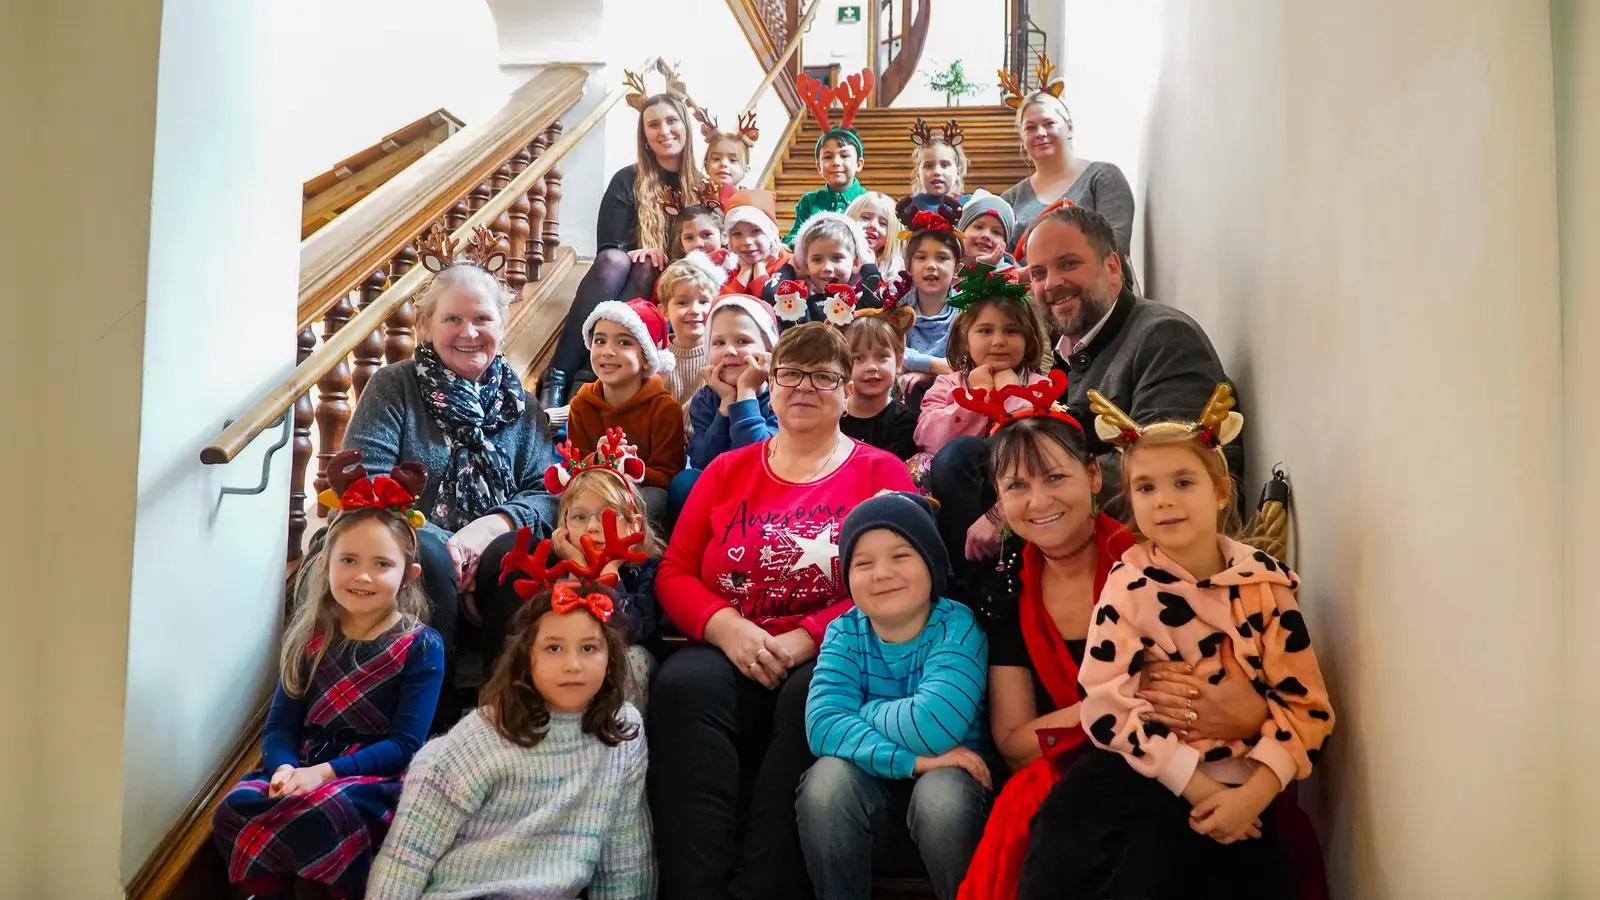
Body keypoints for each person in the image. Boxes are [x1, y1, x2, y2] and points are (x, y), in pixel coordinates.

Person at [1016, 387, 1335, 898]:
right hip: (1150, 768)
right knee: (1075, 836)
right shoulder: (1128, 584)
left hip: (1245, 782)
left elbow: (1308, 710)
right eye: (1145, 488)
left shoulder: (1266, 587)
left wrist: (1251, 795)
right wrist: (1194, 782)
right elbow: (1102, 703)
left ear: (1221, 492)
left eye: (1183, 482)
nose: (1163, 500)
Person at [647, 323, 918, 900]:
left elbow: (903, 580)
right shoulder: (727, 470)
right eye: (791, 374)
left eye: (824, 377)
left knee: (811, 696)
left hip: (834, 651)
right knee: (682, 685)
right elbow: (672, 571)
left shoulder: (881, 473)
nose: (804, 387)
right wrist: (726, 627)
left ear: (848, 393)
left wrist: (807, 637)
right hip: (730, 644)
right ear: (769, 386)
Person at [366, 527, 654, 899]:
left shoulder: (624, 734)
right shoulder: (481, 736)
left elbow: (625, 862)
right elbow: (406, 857)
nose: (573, 665)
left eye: (589, 648)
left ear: (611, 657)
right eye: (553, 648)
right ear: (526, 657)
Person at [213, 453, 444, 899]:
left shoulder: (421, 646)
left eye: (382, 564)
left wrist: (324, 773)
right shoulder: (310, 638)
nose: (362, 575)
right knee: (233, 807)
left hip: (369, 776)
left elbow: (404, 745)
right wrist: (283, 766)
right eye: (349, 560)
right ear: (324, 564)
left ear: (408, 574)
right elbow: (281, 724)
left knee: (324, 807)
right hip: (300, 763)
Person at [342, 225, 556, 671]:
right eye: (452, 319)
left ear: (504, 323)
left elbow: (546, 493)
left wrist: (485, 531)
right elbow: (369, 486)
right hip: (418, 565)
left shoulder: (524, 406)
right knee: (432, 555)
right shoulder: (393, 387)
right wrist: (453, 547)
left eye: (482, 319)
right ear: (426, 325)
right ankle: (429, 712)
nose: (469, 332)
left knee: (512, 549)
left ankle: (505, 704)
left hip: (494, 580)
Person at [798, 492, 991, 900]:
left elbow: (933, 726)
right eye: (863, 563)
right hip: (870, 799)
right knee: (826, 784)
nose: (881, 573)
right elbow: (820, 727)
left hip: (955, 799)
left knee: (940, 795)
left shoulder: (956, 626)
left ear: (932, 564)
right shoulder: (844, 631)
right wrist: (914, 762)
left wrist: (860, 711)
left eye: (901, 556)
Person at [1026, 203, 1243, 507]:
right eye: (1039, 273)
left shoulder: (1165, 337)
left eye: (1068, 263)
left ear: (1112, 268)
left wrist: (1023, 496)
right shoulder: (1072, 354)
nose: (1051, 283)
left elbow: (1160, 472)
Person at [539, 65, 705, 408]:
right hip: (625, 275)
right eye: (653, 124)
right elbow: (608, 248)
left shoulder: (706, 188)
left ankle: (586, 379)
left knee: (648, 268)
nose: (664, 130)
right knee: (620, 260)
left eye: (671, 121)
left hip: (672, 283)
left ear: (685, 126)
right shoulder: (626, 180)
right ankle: (557, 376)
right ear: (644, 136)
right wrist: (641, 250)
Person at [476, 431, 662, 708]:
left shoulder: (646, 568)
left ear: (634, 524)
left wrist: (606, 571)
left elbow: (631, 628)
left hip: (616, 667)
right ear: (563, 525)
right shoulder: (553, 567)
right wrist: (577, 566)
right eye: (579, 516)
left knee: (633, 657)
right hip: (566, 660)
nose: (592, 527)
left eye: (607, 515)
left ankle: (619, 741)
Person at [998, 54, 1135, 260]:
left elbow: (1113, 246)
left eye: (1049, 123)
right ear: (1022, 137)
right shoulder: (1009, 199)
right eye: (1030, 128)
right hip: (1026, 292)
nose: (1040, 133)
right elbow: (1001, 261)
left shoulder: (1102, 177)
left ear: (1069, 128)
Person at [912, 265, 1053, 458]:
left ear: (1027, 339)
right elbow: (928, 440)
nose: (999, 342)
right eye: (985, 331)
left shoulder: (1042, 387)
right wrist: (977, 397)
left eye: (1011, 331)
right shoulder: (947, 385)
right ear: (965, 341)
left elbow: (1043, 447)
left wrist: (1012, 394)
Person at [567, 296, 688, 520]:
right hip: (593, 489)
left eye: (624, 343)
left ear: (646, 358)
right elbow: (574, 465)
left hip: (639, 494)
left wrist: (627, 466)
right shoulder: (581, 404)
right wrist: (599, 459)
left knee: (655, 499)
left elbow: (669, 475)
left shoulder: (665, 408)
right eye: (600, 341)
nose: (608, 351)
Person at [784, 68, 875, 245]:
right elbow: (794, 236)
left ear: (859, 163)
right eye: (828, 157)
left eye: (844, 155)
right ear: (818, 166)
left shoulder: (869, 200)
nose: (836, 162)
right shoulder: (809, 201)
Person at [893, 196, 965, 388]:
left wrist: (929, 375)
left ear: (957, 269)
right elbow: (892, 350)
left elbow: (968, 362)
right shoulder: (897, 308)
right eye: (921, 257)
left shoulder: (967, 311)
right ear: (908, 266)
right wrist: (935, 365)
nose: (931, 265)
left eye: (942, 258)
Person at [771, 212, 881, 330]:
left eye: (837, 258)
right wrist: (790, 269)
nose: (827, 268)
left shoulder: (860, 303)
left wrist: (867, 266)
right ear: (806, 265)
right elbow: (769, 294)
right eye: (817, 259)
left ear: (855, 262)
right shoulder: (800, 307)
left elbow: (876, 289)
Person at [840, 305, 919, 459]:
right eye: (858, 358)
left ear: (898, 362)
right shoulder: (831, 416)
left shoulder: (907, 422)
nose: (871, 367)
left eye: (882, 356)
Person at [656, 251, 725, 422]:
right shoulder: (656, 356)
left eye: (703, 302)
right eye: (682, 302)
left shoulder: (721, 354)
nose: (694, 310)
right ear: (663, 311)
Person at [722, 190, 792, 299]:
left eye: (756, 231)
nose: (747, 241)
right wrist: (745, 271)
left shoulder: (790, 265)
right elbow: (723, 306)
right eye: (737, 234)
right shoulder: (727, 267)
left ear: (771, 233)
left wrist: (760, 269)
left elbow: (775, 304)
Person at [957, 190, 1020, 276]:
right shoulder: (946, 264)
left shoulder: (1008, 275)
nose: (986, 235)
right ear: (961, 231)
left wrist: (985, 269)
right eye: (978, 227)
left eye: (996, 232)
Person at [847, 190, 904, 282]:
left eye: (882, 223)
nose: (873, 225)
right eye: (865, 218)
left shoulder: (893, 271)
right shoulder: (836, 260)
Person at [696, 105, 757, 189]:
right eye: (716, 159)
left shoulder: (753, 200)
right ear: (706, 166)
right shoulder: (697, 197)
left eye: (733, 160)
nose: (723, 164)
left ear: (746, 170)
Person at [909, 118, 970, 200]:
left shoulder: (969, 206)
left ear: (958, 171)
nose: (937, 172)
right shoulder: (908, 207)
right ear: (918, 173)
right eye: (929, 166)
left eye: (945, 165)